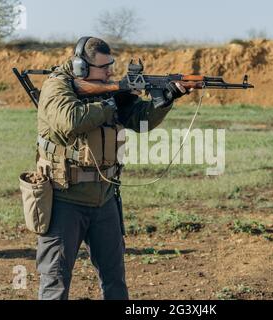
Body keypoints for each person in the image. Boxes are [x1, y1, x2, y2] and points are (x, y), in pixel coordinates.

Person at [35, 36, 187, 300]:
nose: (109, 72)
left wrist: (165, 100)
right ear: (81, 67)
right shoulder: (56, 87)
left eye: (111, 66)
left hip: (104, 198)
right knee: (55, 281)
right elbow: (70, 120)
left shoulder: (107, 88)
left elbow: (139, 122)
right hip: (63, 197)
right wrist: (112, 101)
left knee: (115, 280)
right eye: (103, 67)